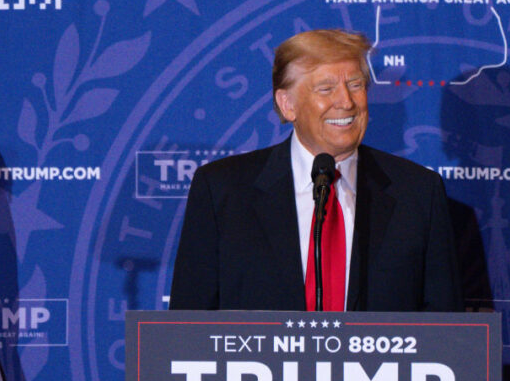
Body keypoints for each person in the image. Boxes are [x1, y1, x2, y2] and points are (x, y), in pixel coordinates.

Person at [169, 29, 462, 311]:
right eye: (326, 88)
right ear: (287, 105)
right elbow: (188, 326)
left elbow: (446, 331)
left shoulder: (419, 192)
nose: (347, 102)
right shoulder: (223, 190)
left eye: (356, 85)